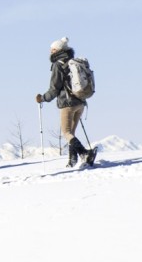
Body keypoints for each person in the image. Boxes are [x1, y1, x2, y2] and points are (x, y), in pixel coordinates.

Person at [35, 37, 96, 168]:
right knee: (71, 134)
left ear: (59, 50)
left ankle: (84, 153)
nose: (51, 52)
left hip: (67, 104)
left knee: (66, 133)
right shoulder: (73, 62)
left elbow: (54, 89)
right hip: (80, 102)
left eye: (53, 49)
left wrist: (42, 98)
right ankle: (72, 160)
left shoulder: (58, 65)